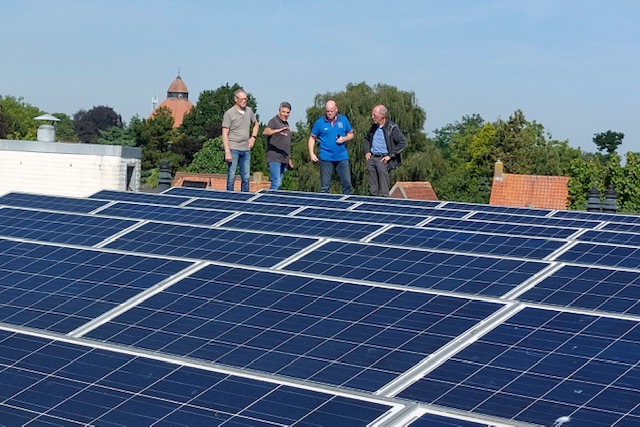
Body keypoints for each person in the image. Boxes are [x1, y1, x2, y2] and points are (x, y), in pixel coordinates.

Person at [308, 100, 354, 194]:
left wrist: (344, 139)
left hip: (341, 157)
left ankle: (348, 204)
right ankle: (324, 205)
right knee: (325, 186)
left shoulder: (343, 120)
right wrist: (312, 154)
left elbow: (351, 134)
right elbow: (312, 138)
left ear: (336, 110)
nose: (329, 113)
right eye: (327, 111)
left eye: (331, 111)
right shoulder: (320, 122)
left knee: (347, 184)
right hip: (326, 157)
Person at [363, 104, 407, 197]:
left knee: (384, 190)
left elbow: (403, 142)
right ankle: (373, 205)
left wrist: (390, 155)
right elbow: (366, 138)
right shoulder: (374, 127)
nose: (372, 117)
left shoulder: (391, 127)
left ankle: (384, 204)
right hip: (372, 158)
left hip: (383, 159)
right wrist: (367, 151)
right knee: (373, 189)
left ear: (382, 115)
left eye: (374, 115)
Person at [222, 88, 260, 192]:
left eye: (245, 99)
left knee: (246, 177)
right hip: (233, 148)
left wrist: (253, 137)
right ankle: (230, 197)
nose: (244, 101)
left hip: (246, 148)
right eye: (241, 99)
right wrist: (227, 151)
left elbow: (256, 124)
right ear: (235, 99)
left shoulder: (249, 111)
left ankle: (245, 198)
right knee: (231, 176)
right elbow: (225, 133)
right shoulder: (229, 113)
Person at [263, 102, 293, 190]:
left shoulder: (286, 124)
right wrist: (276, 131)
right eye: (283, 112)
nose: (285, 114)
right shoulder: (274, 121)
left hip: (284, 159)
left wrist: (289, 158)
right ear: (279, 111)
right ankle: (270, 200)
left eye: (287, 113)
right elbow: (265, 132)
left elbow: (286, 144)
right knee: (276, 182)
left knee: (280, 184)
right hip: (274, 158)